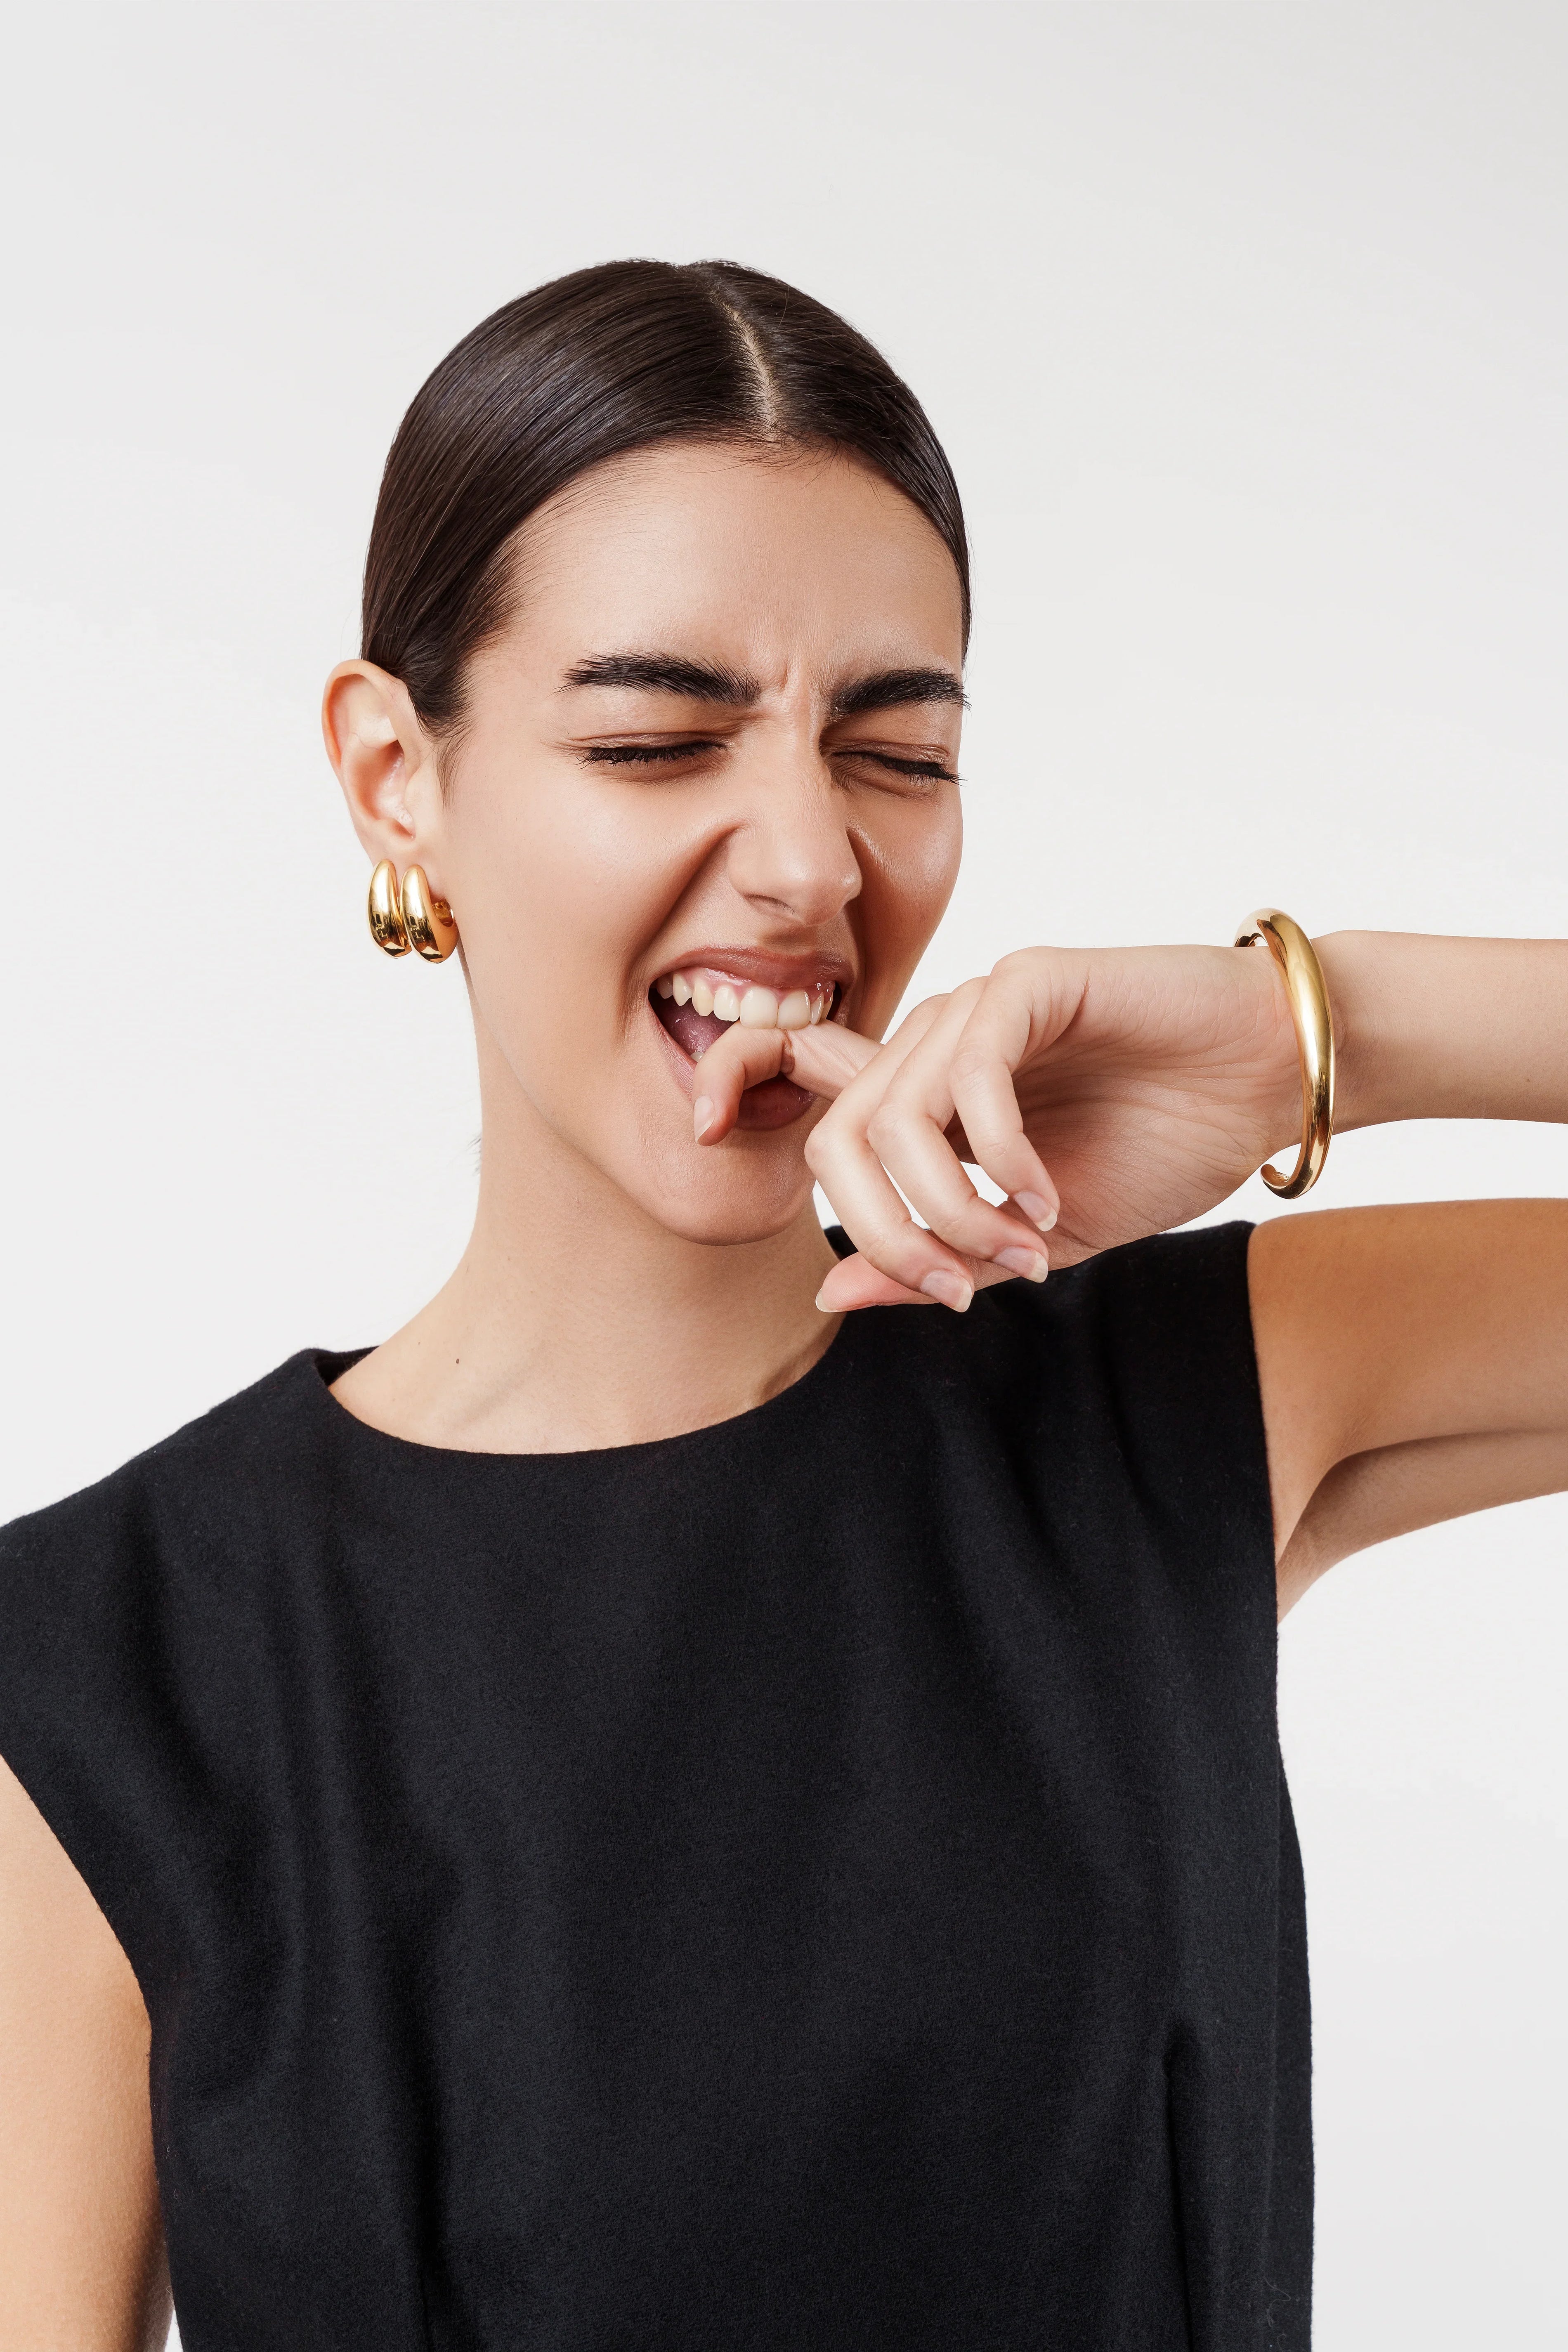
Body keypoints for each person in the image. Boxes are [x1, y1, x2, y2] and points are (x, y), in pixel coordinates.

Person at [1, 258, 1563, 2352]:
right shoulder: (106, 1663)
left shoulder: (1178, 1406)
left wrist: (1305, 1034)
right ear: (394, 777)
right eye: (656, 739)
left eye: (894, 752)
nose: (812, 862)